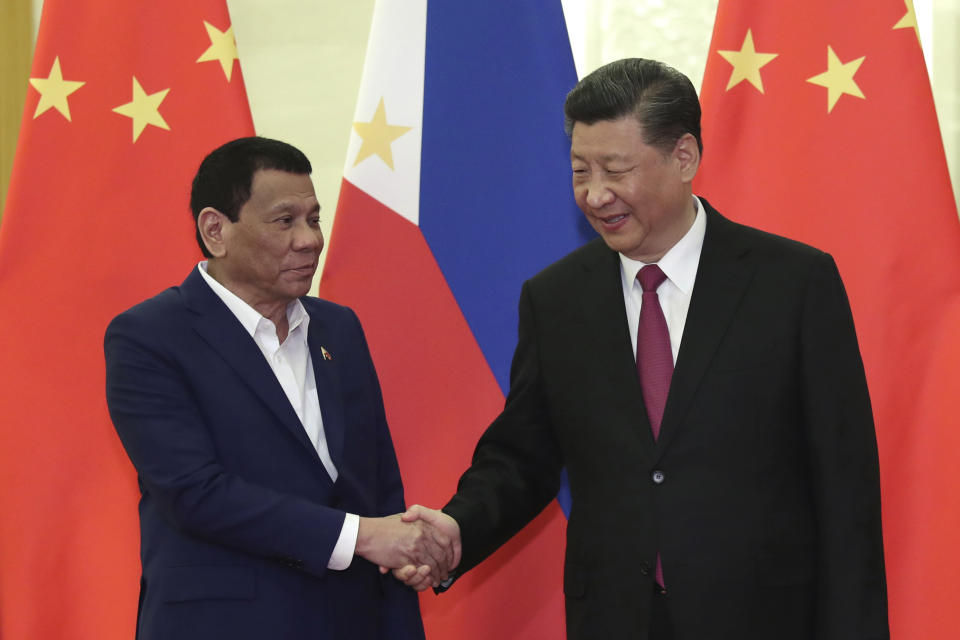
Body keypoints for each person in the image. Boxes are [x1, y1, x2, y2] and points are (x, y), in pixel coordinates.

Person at [398, 59, 889, 639]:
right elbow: (522, 456)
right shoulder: (556, 299)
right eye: (580, 171)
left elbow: (845, 486)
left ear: (684, 157)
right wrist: (459, 528)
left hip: (766, 616)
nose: (595, 194)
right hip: (616, 617)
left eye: (616, 169)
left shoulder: (794, 283)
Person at [104, 137, 453, 640]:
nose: (310, 239)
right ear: (215, 230)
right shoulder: (150, 337)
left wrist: (404, 556)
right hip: (225, 623)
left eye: (314, 218)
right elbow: (194, 493)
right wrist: (362, 537)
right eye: (284, 221)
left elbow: (376, 484)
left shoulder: (339, 328)